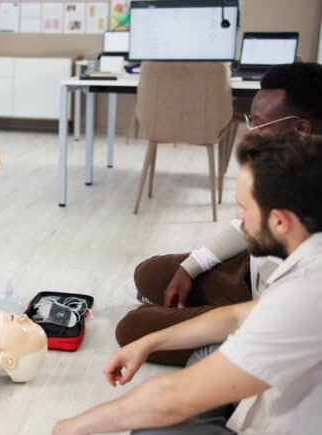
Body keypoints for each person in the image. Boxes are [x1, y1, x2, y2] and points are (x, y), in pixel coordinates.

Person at [53, 132, 322, 435]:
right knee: (206, 353)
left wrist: (69, 428)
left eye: (244, 208)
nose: (238, 217)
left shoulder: (307, 290)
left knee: (153, 424)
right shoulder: (311, 261)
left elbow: (170, 401)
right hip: (266, 392)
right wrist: (150, 342)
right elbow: (236, 315)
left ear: (280, 222)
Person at [115, 62, 322, 366]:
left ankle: (203, 323)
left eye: (261, 124)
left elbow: (272, 315)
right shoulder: (287, 165)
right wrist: (192, 267)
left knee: (132, 329)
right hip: (251, 274)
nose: (250, 134)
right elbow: (244, 226)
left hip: (267, 312)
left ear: (301, 128)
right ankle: (198, 305)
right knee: (149, 274)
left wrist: (202, 329)